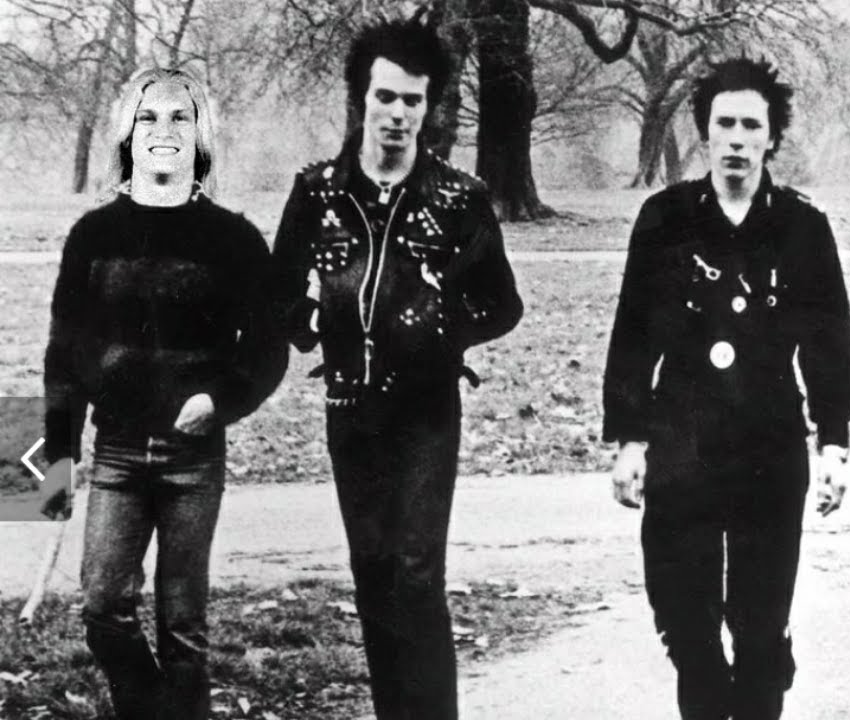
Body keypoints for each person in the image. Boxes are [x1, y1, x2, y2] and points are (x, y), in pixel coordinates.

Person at [271, 18, 522, 720]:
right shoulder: (318, 191)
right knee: (374, 574)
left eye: (413, 100)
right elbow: (277, 294)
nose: (398, 114)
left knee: (416, 573)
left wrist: (446, 328)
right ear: (362, 99)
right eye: (386, 97)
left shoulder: (458, 197)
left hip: (426, 411)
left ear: (429, 106)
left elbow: (503, 304)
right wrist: (308, 319)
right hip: (351, 407)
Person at [603, 57, 850, 720]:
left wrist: (834, 443)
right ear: (705, 132)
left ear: (771, 137)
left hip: (769, 443)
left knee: (760, 627)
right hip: (681, 441)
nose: (737, 139)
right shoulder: (665, 220)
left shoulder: (802, 227)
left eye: (751, 125)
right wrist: (629, 438)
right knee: (686, 624)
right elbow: (633, 336)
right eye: (725, 124)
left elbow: (830, 342)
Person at [39, 67, 288, 719]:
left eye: (181, 117)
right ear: (128, 133)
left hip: (193, 460)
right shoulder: (92, 235)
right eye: (149, 117)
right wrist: (55, 468)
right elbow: (64, 357)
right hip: (116, 454)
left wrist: (220, 402)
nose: (164, 131)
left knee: (183, 626)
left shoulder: (233, 238)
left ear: (201, 134)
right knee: (102, 607)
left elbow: (268, 348)